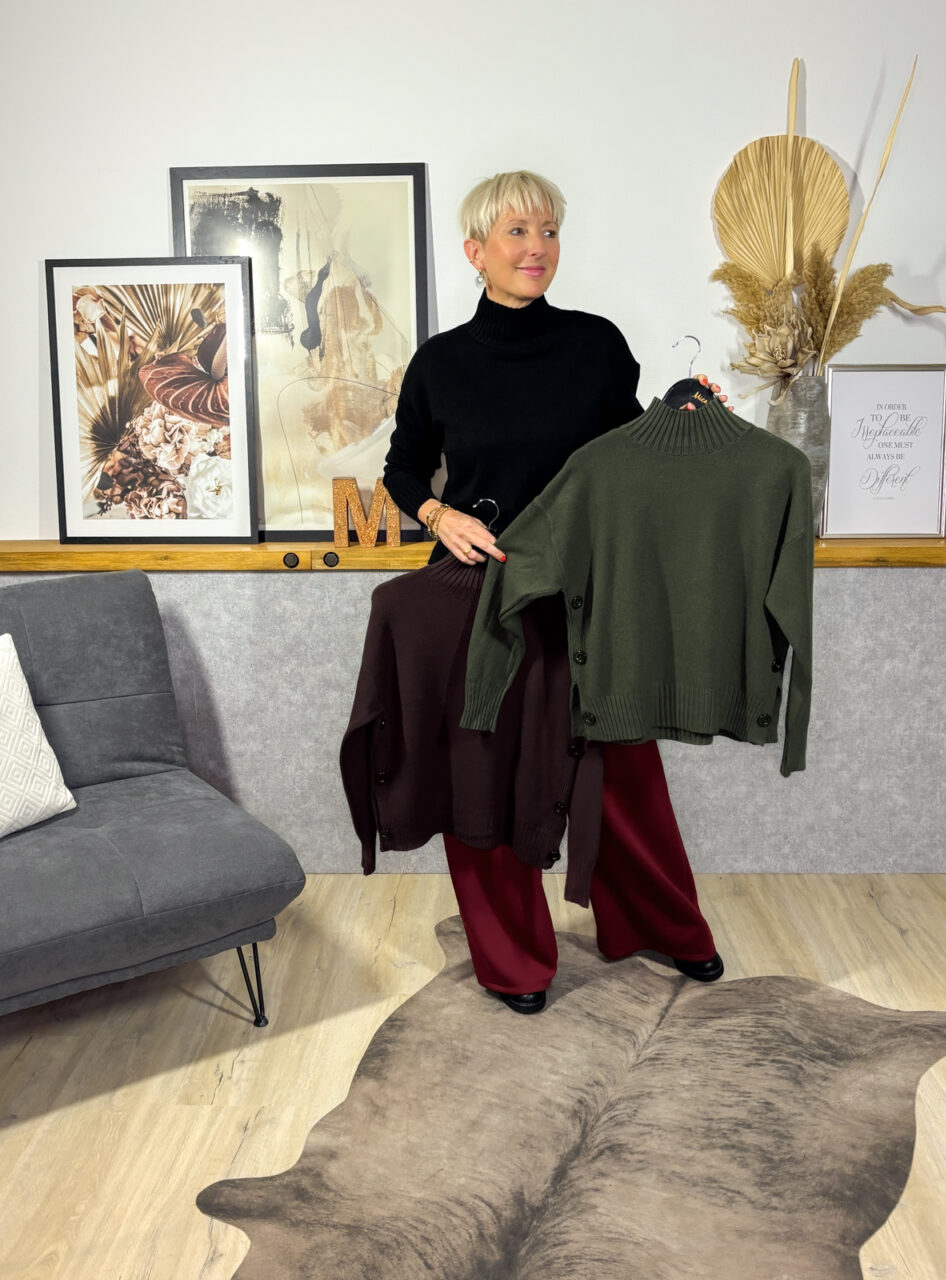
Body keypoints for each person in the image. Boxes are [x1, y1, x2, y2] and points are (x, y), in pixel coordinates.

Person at [383, 170, 727, 1014]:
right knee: (486, 779)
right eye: (517, 232)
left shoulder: (595, 345)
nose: (536, 247)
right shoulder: (440, 364)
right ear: (476, 251)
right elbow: (402, 468)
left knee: (622, 778)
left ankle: (662, 925)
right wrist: (438, 514)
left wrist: (687, 420)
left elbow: (634, 457)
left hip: (587, 594)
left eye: (548, 231)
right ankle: (513, 960)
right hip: (483, 599)